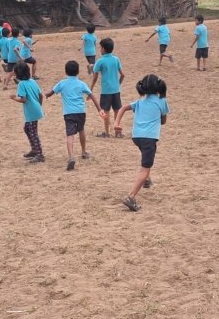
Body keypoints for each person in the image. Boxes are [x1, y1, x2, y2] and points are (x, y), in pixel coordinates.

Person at [113, 74, 169, 212]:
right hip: (149, 138)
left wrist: (116, 123)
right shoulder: (162, 101)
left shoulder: (139, 102)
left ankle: (147, 180)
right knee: (145, 168)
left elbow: (123, 108)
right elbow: (163, 121)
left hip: (137, 137)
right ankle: (131, 197)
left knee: (145, 158)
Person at [45, 60, 105, 171]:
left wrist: (46, 95)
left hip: (68, 113)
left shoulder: (62, 83)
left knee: (70, 135)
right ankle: (83, 152)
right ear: (78, 71)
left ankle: (71, 156)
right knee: (81, 130)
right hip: (81, 112)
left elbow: (51, 92)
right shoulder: (81, 84)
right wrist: (99, 109)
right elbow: (92, 96)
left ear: (66, 72)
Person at [8, 62, 45, 163]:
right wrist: (39, 106)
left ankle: (39, 154)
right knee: (27, 129)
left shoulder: (21, 84)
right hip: (36, 109)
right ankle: (34, 150)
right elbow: (41, 95)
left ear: (18, 74)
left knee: (33, 132)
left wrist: (13, 98)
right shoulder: (32, 81)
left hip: (31, 111)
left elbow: (23, 99)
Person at [90, 38, 125, 138]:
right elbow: (123, 75)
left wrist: (90, 89)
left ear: (104, 49)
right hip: (116, 90)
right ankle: (118, 132)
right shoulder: (116, 59)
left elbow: (95, 78)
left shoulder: (100, 61)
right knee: (117, 111)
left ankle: (107, 132)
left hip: (106, 91)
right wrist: (118, 84)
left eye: (100, 47)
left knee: (106, 112)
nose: (100, 49)